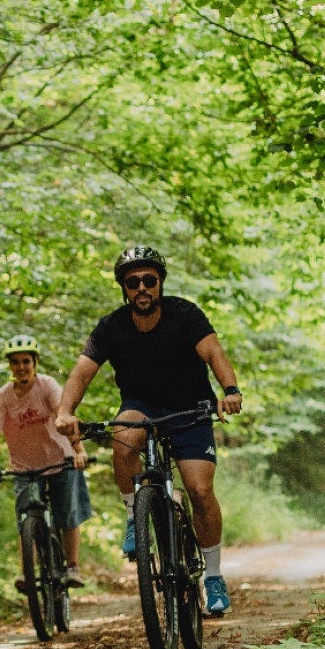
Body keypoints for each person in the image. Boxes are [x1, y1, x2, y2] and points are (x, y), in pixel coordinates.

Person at [52, 245, 244, 618]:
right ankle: (133, 518)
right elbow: (82, 372)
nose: (142, 287)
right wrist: (64, 412)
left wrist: (230, 391)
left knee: (200, 490)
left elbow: (214, 353)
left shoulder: (185, 314)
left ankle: (214, 577)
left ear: (160, 283)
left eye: (149, 280)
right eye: (133, 282)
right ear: (124, 288)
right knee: (124, 441)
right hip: (142, 405)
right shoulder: (111, 326)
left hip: (190, 407)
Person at [0, 334, 93, 587]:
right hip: (25, 468)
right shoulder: (3, 397)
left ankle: (72, 567)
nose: (21, 367)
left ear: (35, 362)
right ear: (10, 365)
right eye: (15, 362)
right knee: (25, 518)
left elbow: (64, 418)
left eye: (26, 361)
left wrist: (79, 451)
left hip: (61, 461)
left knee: (68, 515)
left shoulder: (47, 386)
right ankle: (28, 571)